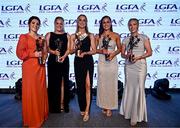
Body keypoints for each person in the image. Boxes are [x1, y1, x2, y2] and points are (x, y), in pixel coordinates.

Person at [16, 16, 48, 127]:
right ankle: (32, 119)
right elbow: (19, 53)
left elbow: (45, 52)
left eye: (37, 23)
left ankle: (40, 115)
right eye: (33, 23)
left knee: (40, 92)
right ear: (29, 24)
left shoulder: (41, 38)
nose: (35, 25)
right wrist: (33, 54)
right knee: (31, 92)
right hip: (29, 68)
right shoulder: (23, 37)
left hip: (40, 68)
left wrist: (44, 56)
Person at [119, 18, 152, 126]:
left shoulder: (144, 38)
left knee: (139, 88)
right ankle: (128, 112)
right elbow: (122, 54)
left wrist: (138, 57)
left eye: (134, 24)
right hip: (129, 66)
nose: (132, 26)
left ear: (138, 26)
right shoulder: (126, 39)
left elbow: (150, 52)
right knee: (129, 87)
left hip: (140, 66)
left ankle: (136, 115)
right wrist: (127, 55)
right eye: (130, 25)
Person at [70, 14, 96, 122]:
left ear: (86, 22)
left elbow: (94, 50)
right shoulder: (73, 36)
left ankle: (87, 110)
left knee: (88, 85)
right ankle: (82, 106)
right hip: (78, 62)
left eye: (84, 20)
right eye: (80, 20)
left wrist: (85, 52)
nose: (82, 22)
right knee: (80, 86)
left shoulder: (90, 35)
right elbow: (70, 51)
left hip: (88, 60)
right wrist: (75, 47)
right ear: (77, 22)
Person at [95, 16, 121, 117]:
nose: (106, 24)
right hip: (102, 61)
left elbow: (119, 49)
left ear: (111, 23)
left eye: (108, 22)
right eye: (104, 22)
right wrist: (101, 51)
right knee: (103, 84)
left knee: (111, 84)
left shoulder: (116, 35)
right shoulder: (98, 36)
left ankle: (110, 107)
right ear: (101, 24)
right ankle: (104, 105)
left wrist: (113, 54)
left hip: (112, 61)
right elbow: (94, 49)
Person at [45, 17, 71, 113]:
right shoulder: (49, 35)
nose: (59, 25)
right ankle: (53, 105)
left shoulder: (67, 35)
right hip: (52, 60)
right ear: (54, 24)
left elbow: (69, 49)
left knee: (63, 82)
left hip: (64, 60)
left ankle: (62, 104)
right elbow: (46, 48)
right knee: (53, 82)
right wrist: (53, 52)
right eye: (57, 23)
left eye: (61, 23)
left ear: (63, 24)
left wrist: (64, 56)